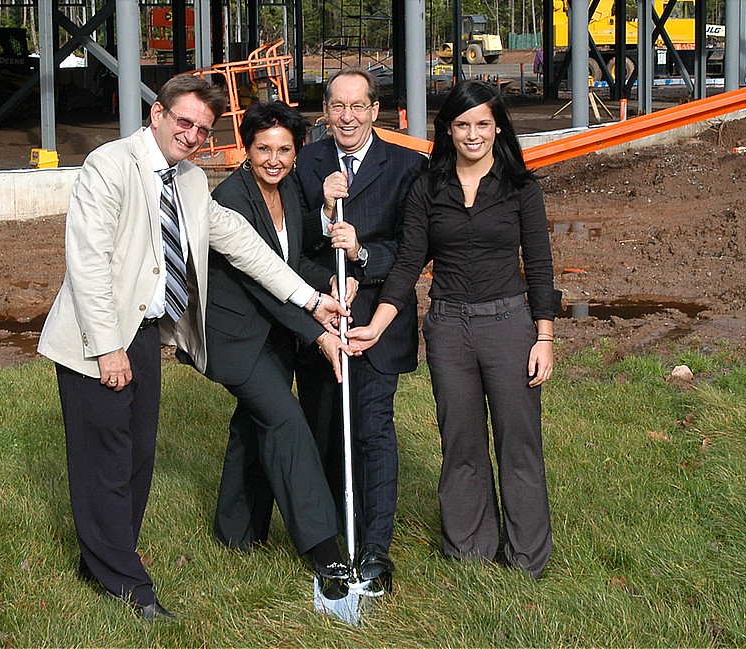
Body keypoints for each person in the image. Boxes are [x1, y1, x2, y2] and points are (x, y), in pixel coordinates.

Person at [37, 75, 350, 621]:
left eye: (203, 130)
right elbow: (87, 263)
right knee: (104, 462)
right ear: (156, 114)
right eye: (184, 121)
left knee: (136, 459)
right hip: (98, 336)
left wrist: (309, 299)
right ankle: (127, 584)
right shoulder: (109, 166)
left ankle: (104, 560)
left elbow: (240, 242)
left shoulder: (187, 180)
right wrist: (107, 348)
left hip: (145, 336)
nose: (192, 135)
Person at [348, 80, 562, 579]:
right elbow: (405, 266)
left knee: (518, 439)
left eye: (483, 124)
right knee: (461, 440)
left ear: (497, 128)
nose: (473, 134)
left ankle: (528, 556)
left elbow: (542, 266)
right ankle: (470, 550)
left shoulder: (521, 189)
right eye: (462, 124)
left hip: (510, 324)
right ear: (448, 129)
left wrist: (545, 338)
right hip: (447, 329)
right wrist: (377, 326)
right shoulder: (427, 188)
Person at [202, 101, 358, 582]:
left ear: (297, 152)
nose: (274, 159)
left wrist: (328, 283)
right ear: (245, 149)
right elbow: (261, 282)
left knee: (254, 428)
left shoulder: (288, 187)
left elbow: (289, 259)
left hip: (274, 335)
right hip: (236, 339)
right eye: (263, 149)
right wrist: (317, 329)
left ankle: (237, 532)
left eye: (284, 150)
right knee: (286, 421)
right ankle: (323, 547)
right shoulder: (231, 198)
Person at [295, 67, 425, 590]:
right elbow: (294, 244)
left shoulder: (407, 167)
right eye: (337, 107)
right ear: (325, 113)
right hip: (324, 318)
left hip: (378, 321)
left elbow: (413, 247)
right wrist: (326, 216)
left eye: (358, 106)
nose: (347, 117)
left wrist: (362, 253)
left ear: (376, 111)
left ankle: (374, 549)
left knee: (372, 429)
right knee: (326, 429)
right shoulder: (306, 163)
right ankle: (332, 543)